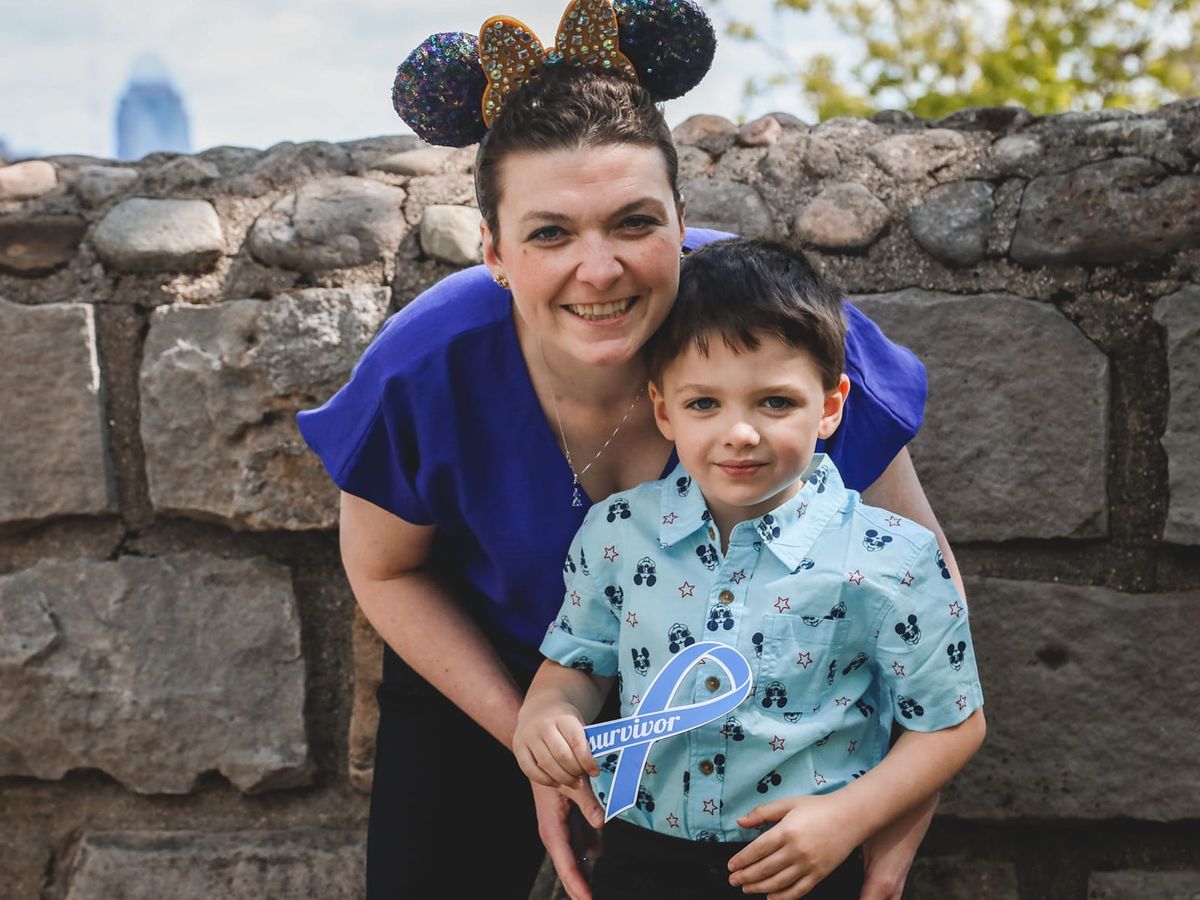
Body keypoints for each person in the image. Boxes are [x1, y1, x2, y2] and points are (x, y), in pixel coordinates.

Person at [299, 2, 965, 897]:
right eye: (550, 232)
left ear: (682, 220)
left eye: (634, 223)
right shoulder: (423, 370)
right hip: (498, 674)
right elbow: (385, 569)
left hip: (769, 707)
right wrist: (533, 740)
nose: (600, 268)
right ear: (492, 249)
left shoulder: (777, 331)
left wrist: (897, 809)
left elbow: (925, 587)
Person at [513, 238, 986, 900]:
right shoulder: (617, 534)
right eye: (704, 404)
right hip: (640, 856)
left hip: (804, 860)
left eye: (775, 402)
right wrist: (546, 714)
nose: (740, 432)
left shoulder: (891, 556)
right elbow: (578, 666)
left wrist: (851, 819)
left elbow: (954, 722)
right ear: (663, 409)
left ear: (830, 406)